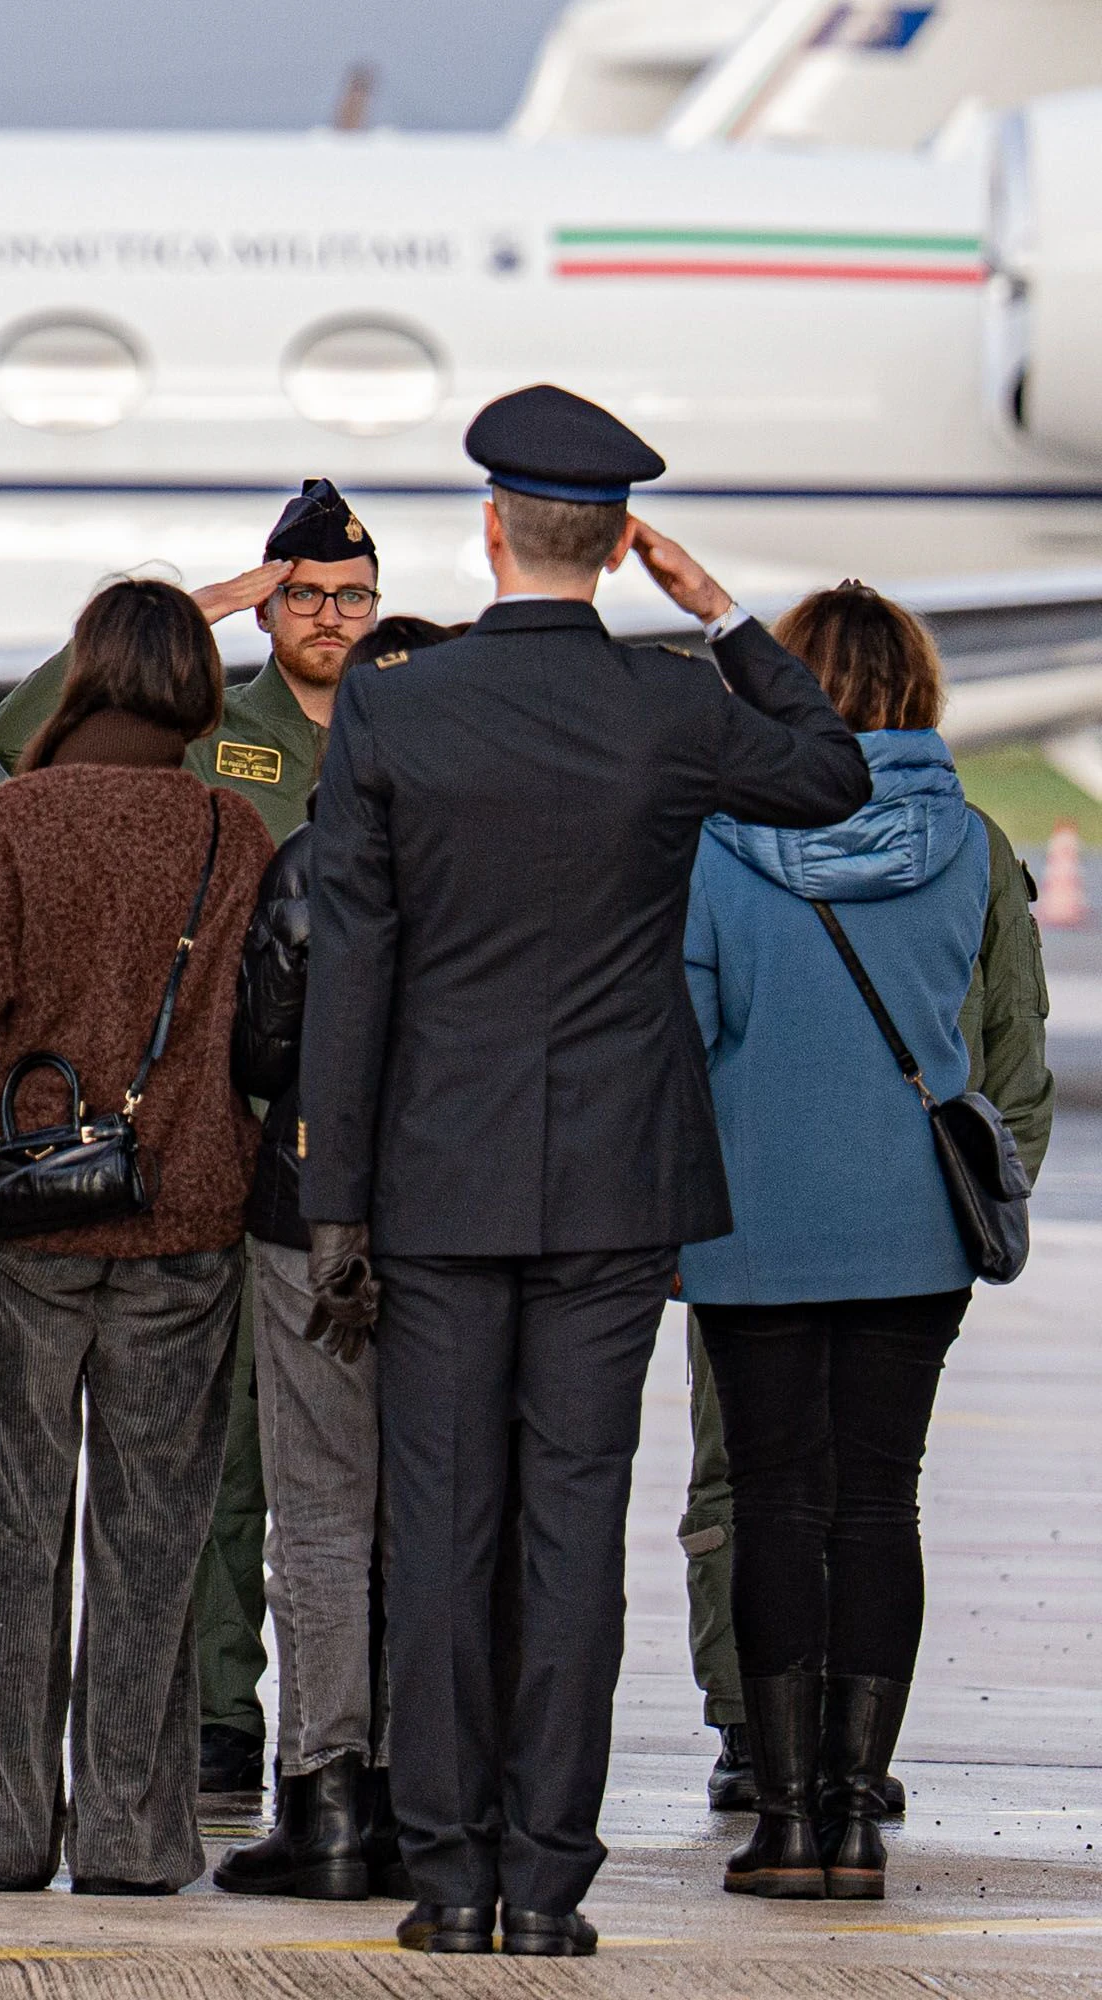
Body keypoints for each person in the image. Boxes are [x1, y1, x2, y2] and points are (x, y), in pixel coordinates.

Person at [300, 384, 874, 1956]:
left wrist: (335, 1201)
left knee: (442, 1529)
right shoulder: (678, 704)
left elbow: (353, 970)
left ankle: (449, 1876)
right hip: (616, 1184)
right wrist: (731, 615)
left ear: (489, 529)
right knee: (574, 1531)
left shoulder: (394, 708)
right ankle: (547, 1884)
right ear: (621, 547)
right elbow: (833, 772)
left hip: (433, 1181)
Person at [0, 477, 381, 1792]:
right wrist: (198, 612)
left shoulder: (400, 720)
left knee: (344, 1465)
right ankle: (219, 1709)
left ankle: (347, 1732)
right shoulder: (225, 724)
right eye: (306, 594)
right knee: (226, 1467)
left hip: (353, 1139)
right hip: (225, 1133)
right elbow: (16, 731)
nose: (331, 616)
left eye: (353, 596)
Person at [0, 578, 277, 1896]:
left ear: (82, 675)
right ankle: (135, 1831)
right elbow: (272, 1036)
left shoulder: (10, 824)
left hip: (21, 1229)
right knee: (157, 1536)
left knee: (6, 1533)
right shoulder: (238, 831)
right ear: (198, 693)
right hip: (186, 1224)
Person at [679, 583, 1049, 1901]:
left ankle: (784, 1826)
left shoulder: (718, 842)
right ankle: (852, 1814)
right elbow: (984, 1018)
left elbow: (692, 1032)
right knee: (878, 1505)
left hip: (754, 1221)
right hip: (912, 1216)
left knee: (774, 1505)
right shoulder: (976, 843)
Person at [213, 614, 453, 1902]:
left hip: (309, 1209)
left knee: (315, 1511)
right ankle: (426, 1794)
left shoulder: (312, 854)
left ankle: (324, 1802)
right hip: (456, 1226)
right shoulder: (490, 855)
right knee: (436, 1512)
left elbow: (259, 1048)